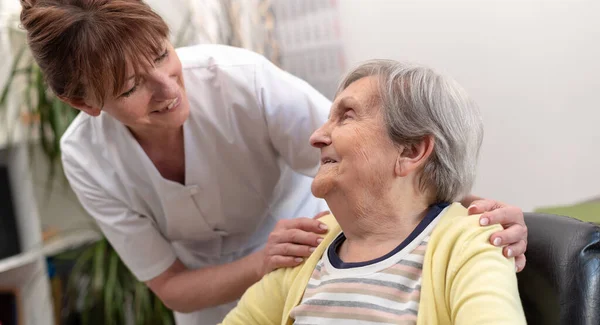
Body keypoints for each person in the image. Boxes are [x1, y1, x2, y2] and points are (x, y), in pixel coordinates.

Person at [19, 1, 527, 324]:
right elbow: (173, 288)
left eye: (161, 55)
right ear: (85, 104)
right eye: (131, 88)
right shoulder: (88, 158)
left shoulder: (243, 82)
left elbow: (381, 158)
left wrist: (476, 216)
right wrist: (265, 263)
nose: (169, 88)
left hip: (304, 242)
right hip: (263, 276)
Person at [221, 60, 526, 325]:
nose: (317, 136)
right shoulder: (311, 241)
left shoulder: (469, 243)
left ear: (410, 151)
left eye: (347, 115)